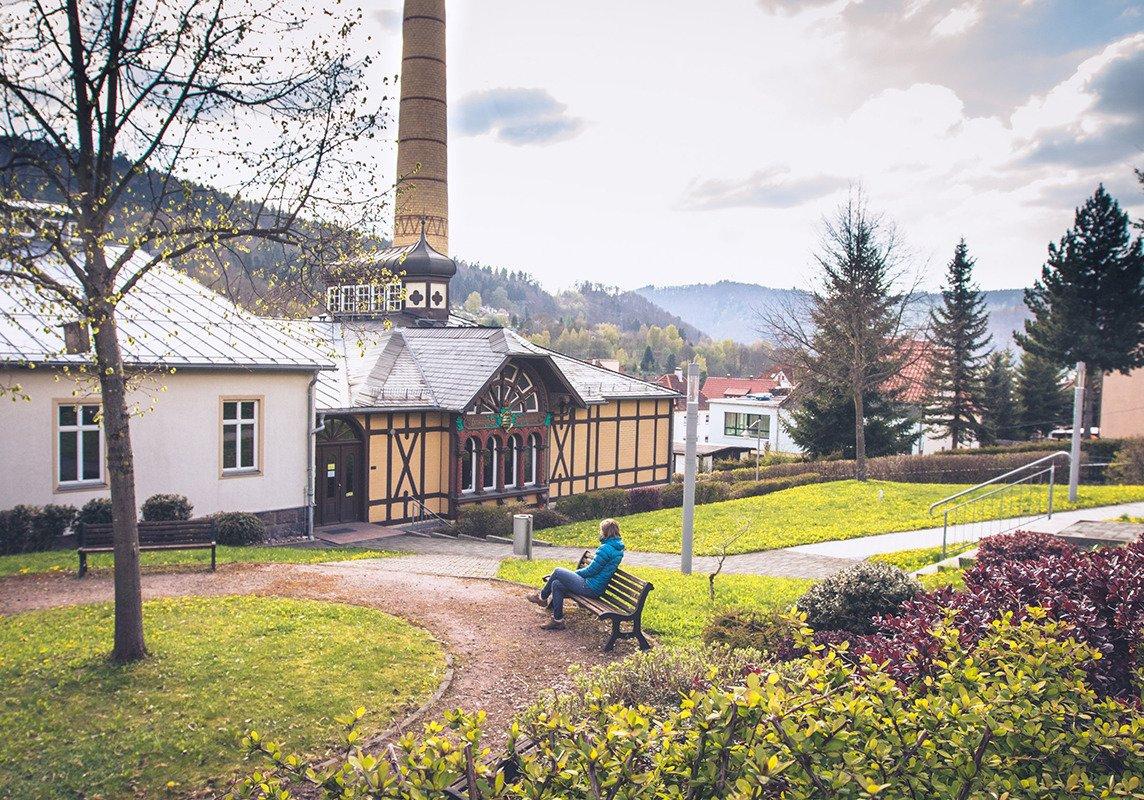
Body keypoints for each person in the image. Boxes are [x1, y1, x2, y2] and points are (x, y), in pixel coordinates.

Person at [529, 518, 624, 630]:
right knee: (556, 584)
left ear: (605, 532)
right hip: (595, 586)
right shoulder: (617, 548)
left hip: (591, 587)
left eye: (601, 530)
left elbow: (591, 571)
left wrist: (573, 574)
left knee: (558, 571)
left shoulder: (606, 548)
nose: (600, 533)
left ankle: (542, 597)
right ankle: (558, 620)